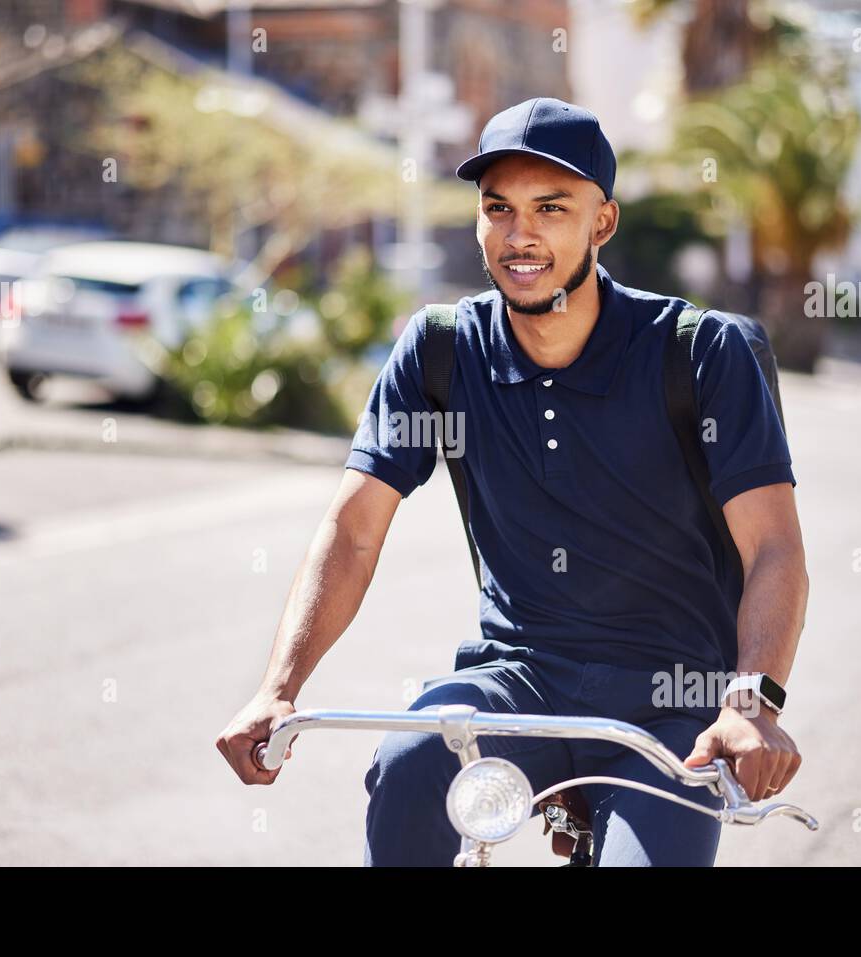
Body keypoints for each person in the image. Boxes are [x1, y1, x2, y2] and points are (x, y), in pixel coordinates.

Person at [215, 97, 809, 866]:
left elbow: (775, 550)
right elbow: (354, 529)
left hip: (672, 702)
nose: (519, 234)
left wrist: (751, 704)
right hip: (517, 682)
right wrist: (279, 687)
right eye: (498, 208)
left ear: (602, 223)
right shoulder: (440, 350)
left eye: (551, 208)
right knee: (408, 765)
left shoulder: (699, 353)